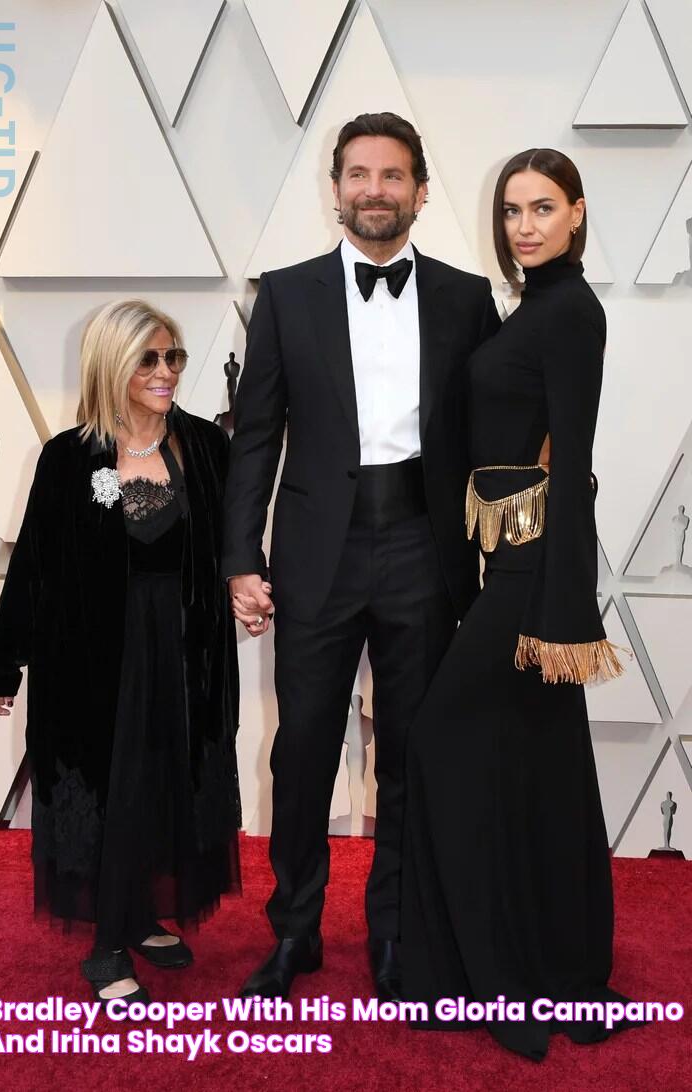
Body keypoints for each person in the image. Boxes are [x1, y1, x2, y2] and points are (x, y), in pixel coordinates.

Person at [223, 112, 500, 1001]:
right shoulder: (288, 294)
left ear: (421, 191)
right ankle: (296, 931)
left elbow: (495, 436)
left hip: (426, 545)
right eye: (357, 174)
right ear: (335, 188)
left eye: (391, 176)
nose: (373, 189)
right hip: (316, 551)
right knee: (301, 748)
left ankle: (398, 934)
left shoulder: (465, 298)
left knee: (412, 754)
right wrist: (239, 557)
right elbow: (256, 437)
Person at [401, 149, 636, 1061]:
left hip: (537, 574)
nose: (525, 225)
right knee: (540, 766)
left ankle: (497, 976)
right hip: (507, 563)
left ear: (578, 214)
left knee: (442, 740)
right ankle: (545, 966)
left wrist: (564, 611)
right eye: (511, 210)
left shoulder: (573, 312)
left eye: (544, 208)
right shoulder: (531, 308)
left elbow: (570, 464)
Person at [0, 300, 240, 1007]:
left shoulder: (205, 448)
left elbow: (233, 549)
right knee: (115, 790)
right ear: (113, 365)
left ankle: (142, 913)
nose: (166, 372)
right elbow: (35, 563)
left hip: (187, 658)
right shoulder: (72, 457)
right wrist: (6, 661)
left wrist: (253, 592)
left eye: (173, 357)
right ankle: (106, 947)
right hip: (97, 664)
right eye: (149, 359)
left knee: (167, 787)